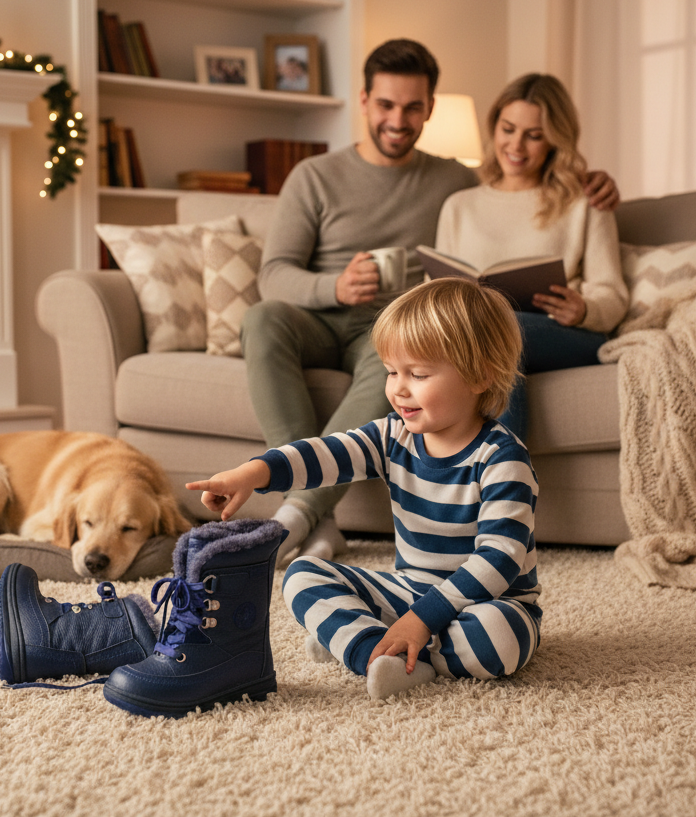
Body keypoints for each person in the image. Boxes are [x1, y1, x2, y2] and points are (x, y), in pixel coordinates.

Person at [242, 39, 618, 565]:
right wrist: (334, 286)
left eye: (413, 107)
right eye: (387, 105)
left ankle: (306, 515)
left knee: (401, 359)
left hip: (392, 330)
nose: (398, 119)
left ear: (430, 110)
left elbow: (515, 187)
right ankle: (313, 511)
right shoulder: (315, 176)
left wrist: (593, 180)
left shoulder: (453, 180)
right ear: (365, 101)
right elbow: (273, 274)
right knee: (262, 320)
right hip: (315, 319)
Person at [188, 278, 539, 700]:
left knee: (500, 640)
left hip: (491, 602)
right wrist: (252, 473)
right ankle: (379, 650)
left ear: (480, 375)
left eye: (419, 374)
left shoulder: (503, 459)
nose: (398, 388)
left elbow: (499, 561)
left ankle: (371, 643)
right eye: (392, 372)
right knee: (301, 576)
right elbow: (323, 455)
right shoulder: (393, 436)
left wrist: (422, 620)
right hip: (409, 589)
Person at [434, 73, 629, 441]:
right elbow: (438, 290)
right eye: (508, 129)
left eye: (534, 135)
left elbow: (613, 296)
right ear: (494, 127)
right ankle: (496, 492)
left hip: (563, 333)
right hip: (482, 336)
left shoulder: (585, 202)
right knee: (490, 342)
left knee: (504, 328)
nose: (516, 145)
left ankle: (498, 486)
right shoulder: (459, 207)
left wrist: (584, 309)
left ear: (554, 140)